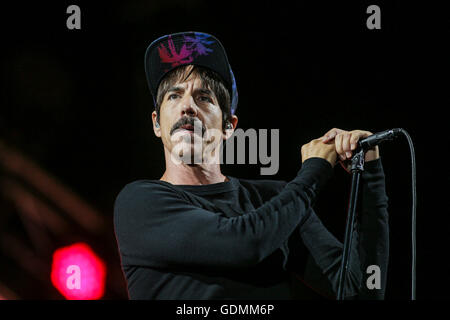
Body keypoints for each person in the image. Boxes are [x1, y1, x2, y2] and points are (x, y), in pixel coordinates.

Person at [113, 31, 389, 300]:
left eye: (204, 98)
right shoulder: (140, 203)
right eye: (174, 96)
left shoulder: (274, 199)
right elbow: (242, 245)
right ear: (156, 124)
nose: (188, 107)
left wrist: (369, 177)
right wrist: (315, 170)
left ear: (228, 126)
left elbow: (359, 289)